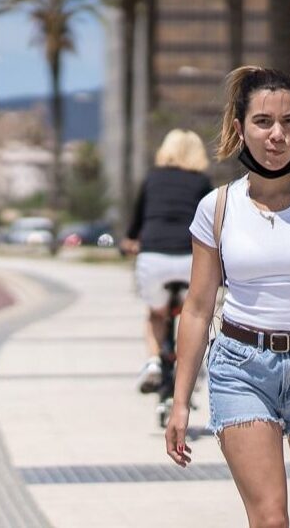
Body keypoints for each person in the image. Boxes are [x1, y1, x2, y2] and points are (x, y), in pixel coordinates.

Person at [166, 66, 290, 528]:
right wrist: (180, 400)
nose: (277, 135)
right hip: (240, 369)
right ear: (240, 129)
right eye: (263, 122)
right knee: (271, 519)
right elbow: (196, 309)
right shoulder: (217, 208)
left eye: (289, 122)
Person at [120, 129, 212, 393]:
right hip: (190, 259)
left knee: (155, 314)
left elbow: (136, 222)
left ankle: (153, 363)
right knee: (192, 314)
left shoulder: (152, 179)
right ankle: (194, 365)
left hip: (153, 258)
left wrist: (128, 242)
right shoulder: (202, 182)